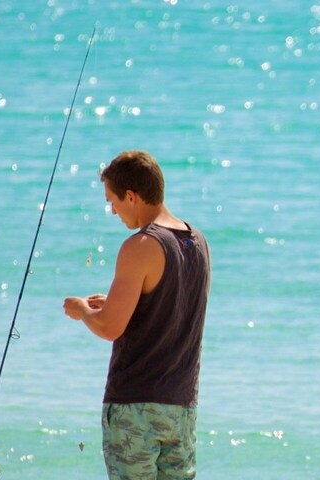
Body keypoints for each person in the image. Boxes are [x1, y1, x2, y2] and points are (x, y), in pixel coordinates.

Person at [62, 150, 211, 480]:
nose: (113, 211)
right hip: (182, 406)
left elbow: (109, 327)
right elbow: (172, 305)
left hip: (135, 406)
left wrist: (83, 310)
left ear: (131, 196)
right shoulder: (199, 242)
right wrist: (119, 301)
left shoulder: (140, 245)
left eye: (113, 202)